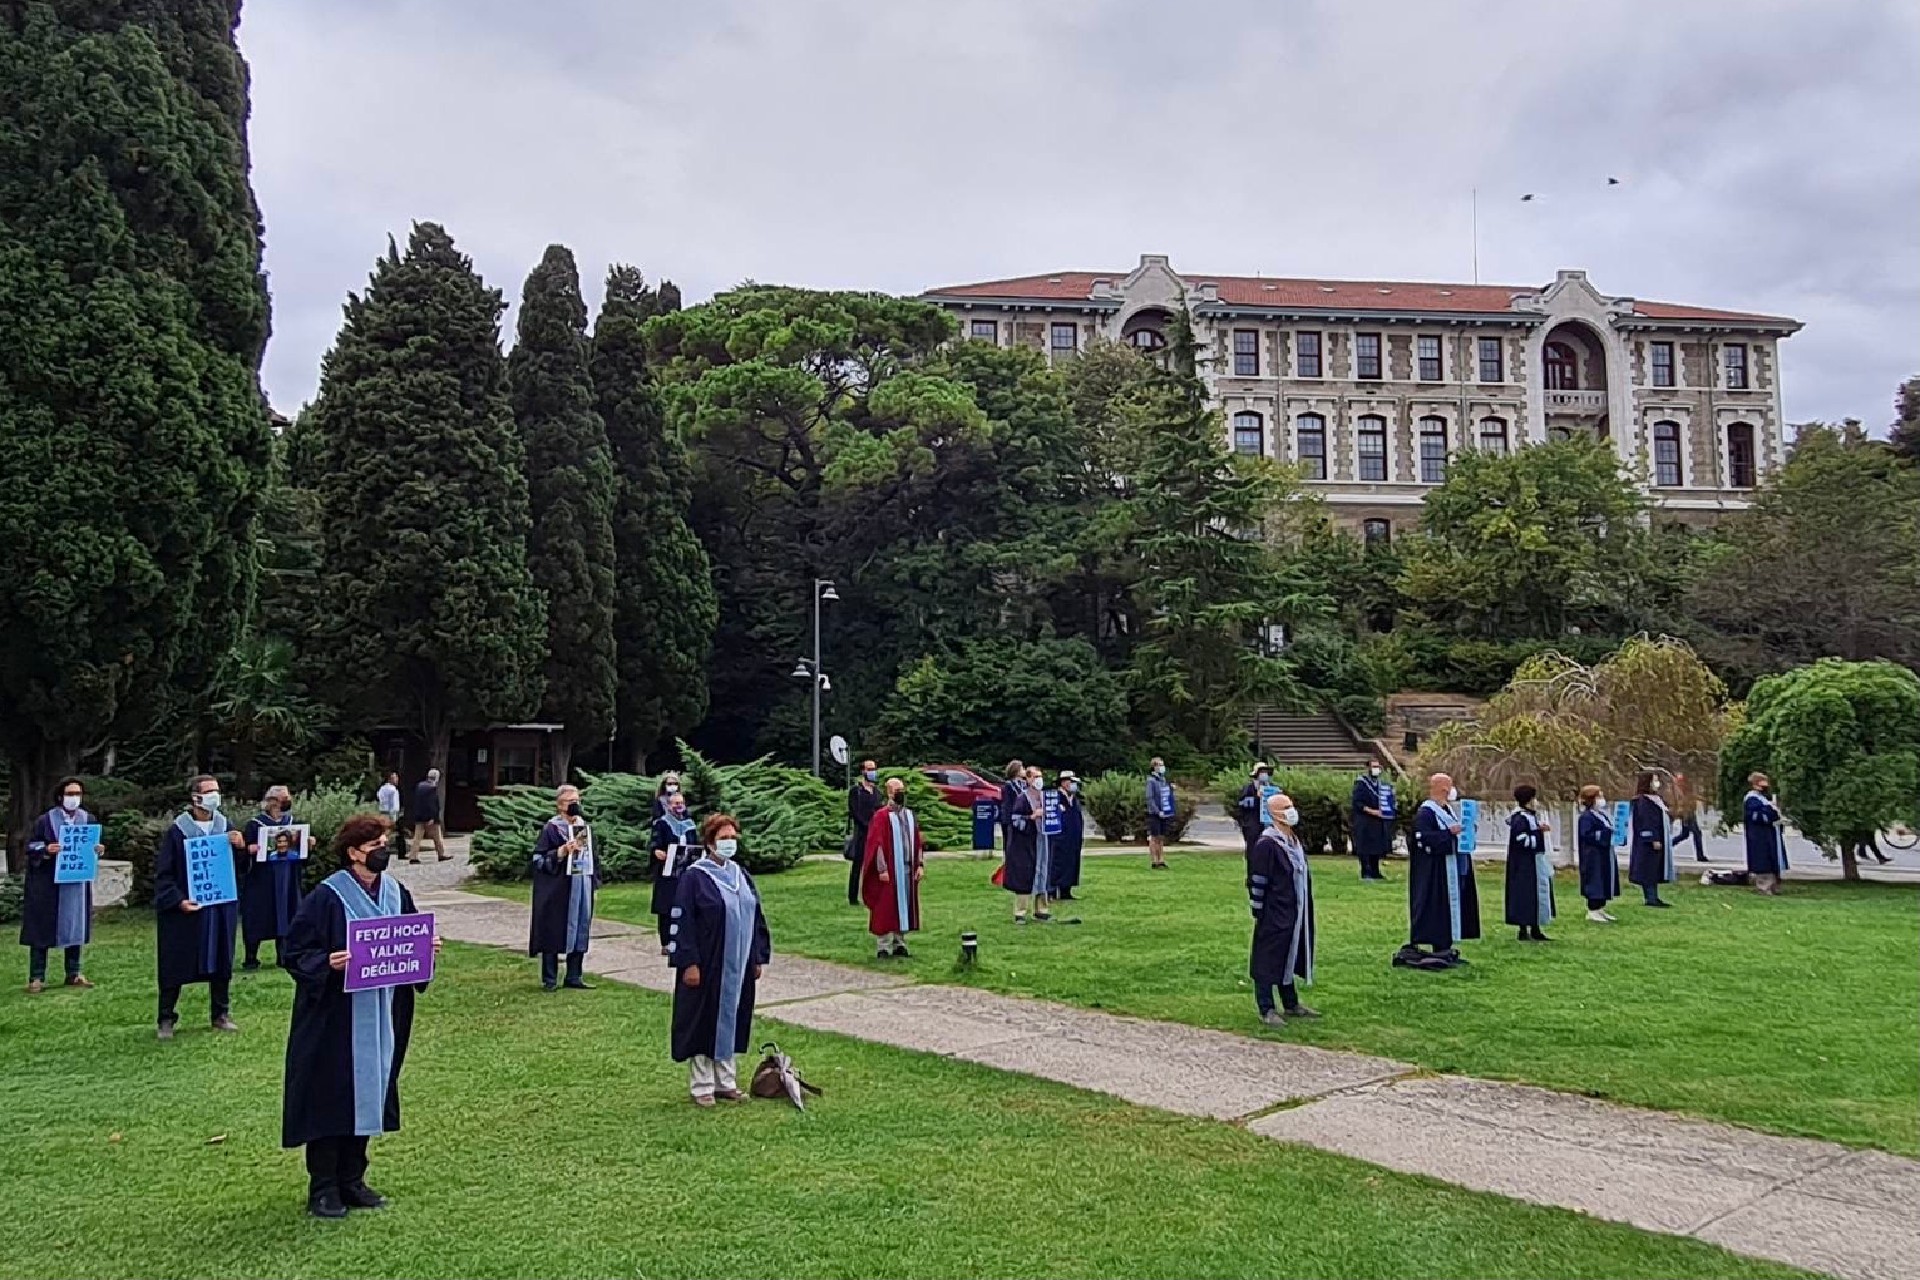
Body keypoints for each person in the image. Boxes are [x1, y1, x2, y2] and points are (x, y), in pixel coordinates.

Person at [282, 814, 438, 1219]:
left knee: (371, 1091)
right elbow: (295, 951)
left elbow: (407, 940)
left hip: (383, 1010)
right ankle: (323, 1187)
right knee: (331, 1095)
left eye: (386, 842)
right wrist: (325, 963)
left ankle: (353, 1179)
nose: (384, 851)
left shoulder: (394, 891)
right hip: (335, 1016)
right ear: (354, 853)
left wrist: (426, 948)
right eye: (375, 846)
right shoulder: (327, 897)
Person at [669, 813, 772, 1107]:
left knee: (732, 1018)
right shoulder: (695, 877)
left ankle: (725, 1081)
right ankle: (701, 1084)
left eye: (732, 838)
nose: (729, 843)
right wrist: (688, 963)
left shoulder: (741, 875)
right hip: (707, 963)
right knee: (704, 1019)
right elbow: (682, 920)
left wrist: (756, 957)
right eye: (723, 838)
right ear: (710, 841)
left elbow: (756, 918)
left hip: (737, 964)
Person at [153, 774, 246, 1039]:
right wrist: (179, 900)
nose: (214, 796)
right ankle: (166, 1017)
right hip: (188, 909)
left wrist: (240, 848)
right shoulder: (177, 831)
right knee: (176, 962)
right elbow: (164, 874)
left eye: (217, 791)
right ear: (195, 798)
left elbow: (238, 868)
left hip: (219, 905)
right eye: (209, 792)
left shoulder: (224, 826)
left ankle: (220, 1013)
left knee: (221, 959)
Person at [20, 777, 103, 993]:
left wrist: (97, 850)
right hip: (48, 883)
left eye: (78, 794)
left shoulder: (88, 819)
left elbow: (91, 846)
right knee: (42, 928)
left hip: (75, 882)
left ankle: (73, 972)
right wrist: (46, 850)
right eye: (70, 794)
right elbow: (31, 845)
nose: (74, 798)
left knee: (75, 925)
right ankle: (37, 976)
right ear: (60, 796)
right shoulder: (45, 820)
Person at [1247, 791, 1318, 1028]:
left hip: (1295, 910)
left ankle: (1291, 1003)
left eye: (1291, 805)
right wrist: (1259, 910)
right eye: (1286, 807)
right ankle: (1266, 1007)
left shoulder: (1294, 841)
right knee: (1268, 957)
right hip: (1274, 911)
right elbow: (1257, 880)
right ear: (1274, 814)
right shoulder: (1267, 844)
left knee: (1289, 953)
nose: (1291, 810)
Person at [1396, 772, 1468, 969]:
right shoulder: (1427, 812)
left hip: (1448, 867)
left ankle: (1446, 947)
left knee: (1446, 907)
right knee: (1434, 905)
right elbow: (1423, 838)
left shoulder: (1447, 810)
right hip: (1433, 870)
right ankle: (1436, 948)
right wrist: (1448, 834)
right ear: (1444, 788)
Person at [529, 784, 597, 991]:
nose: (575, 805)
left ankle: (574, 975)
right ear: (560, 805)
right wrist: (560, 852)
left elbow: (593, 857)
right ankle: (550, 979)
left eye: (577, 801)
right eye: (571, 802)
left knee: (580, 928)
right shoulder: (552, 828)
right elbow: (538, 859)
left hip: (581, 883)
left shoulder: (583, 827)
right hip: (558, 888)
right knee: (553, 929)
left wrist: (594, 881)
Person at [241, 785, 304, 971]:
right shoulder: (255, 824)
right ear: (273, 801)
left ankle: (283, 955)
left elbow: (299, 852)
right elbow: (244, 852)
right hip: (263, 878)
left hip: (287, 876)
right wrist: (249, 849)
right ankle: (251, 957)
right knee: (258, 914)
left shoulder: (291, 822)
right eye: (285, 797)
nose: (287, 800)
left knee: (286, 913)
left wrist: (307, 843)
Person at [860, 776, 923, 958]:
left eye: (902, 790)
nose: (900, 794)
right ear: (889, 792)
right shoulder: (881, 816)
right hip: (889, 870)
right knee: (885, 907)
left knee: (904, 906)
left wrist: (919, 864)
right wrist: (882, 869)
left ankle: (900, 943)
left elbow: (917, 843)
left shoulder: (909, 816)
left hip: (907, 869)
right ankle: (883, 946)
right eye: (897, 791)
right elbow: (877, 845)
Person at [1503, 784, 1554, 942]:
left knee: (1537, 894)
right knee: (1525, 895)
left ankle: (1536, 927)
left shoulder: (1532, 816)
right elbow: (1521, 840)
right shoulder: (1520, 818)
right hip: (1524, 864)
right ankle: (1523, 928)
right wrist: (1539, 833)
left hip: (1535, 861)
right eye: (1534, 798)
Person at [650, 790, 697, 952]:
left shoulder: (689, 824)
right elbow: (655, 843)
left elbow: (694, 843)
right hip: (667, 872)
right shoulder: (662, 823)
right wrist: (657, 851)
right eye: (676, 804)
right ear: (669, 806)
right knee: (666, 907)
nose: (679, 806)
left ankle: (683, 939)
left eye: (681, 803)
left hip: (685, 871)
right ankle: (666, 942)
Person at [1002, 768, 1051, 924]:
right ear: (1028, 779)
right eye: (1036, 777)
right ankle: (1020, 912)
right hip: (1026, 844)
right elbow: (1015, 820)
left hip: (1041, 840)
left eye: (1040, 777)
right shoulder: (1023, 798)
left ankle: (1041, 910)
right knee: (1025, 876)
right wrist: (1031, 817)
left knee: (1042, 873)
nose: (1039, 780)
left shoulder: (1045, 797)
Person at [1628, 771, 1674, 908]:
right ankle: (1650, 898)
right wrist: (1653, 838)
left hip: (1657, 839)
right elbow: (1646, 822)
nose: (1657, 783)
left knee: (1654, 869)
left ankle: (1654, 896)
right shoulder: (1642, 801)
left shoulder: (1655, 799)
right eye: (1654, 780)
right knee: (1648, 870)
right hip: (1647, 843)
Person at [1575, 785, 1620, 923]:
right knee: (1595, 880)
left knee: (1605, 879)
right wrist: (1605, 834)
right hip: (1592, 856)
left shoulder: (1600, 815)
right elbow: (1587, 835)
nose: (1602, 799)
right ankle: (1592, 910)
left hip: (1603, 853)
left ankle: (1600, 908)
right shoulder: (1586, 817)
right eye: (1599, 796)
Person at [1741, 772, 1789, 895]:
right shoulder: (1752, 799)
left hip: (1769, 834)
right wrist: (1771, 813)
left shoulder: (1763, 799)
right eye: (1763, 782)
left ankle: (1773, 886)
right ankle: (1764, 887)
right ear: (1756, 784)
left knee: (1771, 859)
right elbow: (1758, 816)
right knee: (1763, 860)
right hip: (1759, 836)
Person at [1350, 758, 1395, 881]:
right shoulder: (1361, 783)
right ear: (1368, 768)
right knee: (1365, 847)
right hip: (1365, 820)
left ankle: (1376, 871)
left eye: (1378, 767)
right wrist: (1372, 811)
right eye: (1374, 766)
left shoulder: (1381, 785)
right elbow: (1357, 803)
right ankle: (1366, 872)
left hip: (1378, 820)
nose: (1376, 769)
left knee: (1377, 846)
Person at [846, 760, 882, 908]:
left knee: (876, 865)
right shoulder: (856, 791)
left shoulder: (877, 792)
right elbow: (855, 812)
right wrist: (866, 826)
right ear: (863, 771)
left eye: (874, 769)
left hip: (875, 833)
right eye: (869, 769)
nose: (872, 771)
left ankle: (874, 894)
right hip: (862, 833)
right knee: (857, 865)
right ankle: (853, 896)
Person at [1050, 771, 1085, 901]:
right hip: (1060, 837)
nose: (1074, 785)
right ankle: (1052, 891)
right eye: (1072, 782)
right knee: (1057, 862)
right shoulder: (1056, 797)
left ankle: (1066, 890)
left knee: (1072, 862)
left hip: (1073, 837)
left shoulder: (1074, 800)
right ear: (1064, 782)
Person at [407, 769, 448, 864]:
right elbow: (431, 804)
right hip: (430, 817)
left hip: (419, 816)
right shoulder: (432, 788)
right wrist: (432, 817)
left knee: (417, 838)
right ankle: (441, 854)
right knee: (437, 837)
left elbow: (418, 802)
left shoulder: (419, 786)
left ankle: (413, 856)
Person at [1235, 764, 1271, 855]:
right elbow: (1242, 803)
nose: (1264, 774)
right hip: (1252, 825)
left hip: (1268, 825)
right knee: (1253, 852)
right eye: (1262, 772)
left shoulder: (1271, 788)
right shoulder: (1248, 789)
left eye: (1266, 772)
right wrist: (1257, 798)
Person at [1145, 758, 1174, 870]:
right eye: (1160, 765)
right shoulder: (1151, 781)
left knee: (1161, 837)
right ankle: (1154, 861)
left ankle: (1161, 859)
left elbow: (1166, 795)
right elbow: (1150, 798)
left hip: (1164, 813)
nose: (1162, 767)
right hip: (1154, 813)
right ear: (1154, 767)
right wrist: (1157, 811)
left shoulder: (1163, 780)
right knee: (1154, 837)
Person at [1672, 773, 1708, 863]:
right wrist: (1683, 815)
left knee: (1684, 834)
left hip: (1689, 813)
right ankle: (1700, 856)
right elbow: (1682, 803)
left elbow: (1691, 797)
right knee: (1697, 833)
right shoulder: (1678, 791)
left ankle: (1667, 846)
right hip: (1687, 815)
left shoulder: (1685, 789)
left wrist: (1701, 799)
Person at [998, 759, 1024, 853]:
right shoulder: (1008, 786)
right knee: (1009, 844)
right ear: (1016, 771)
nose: (1024, 771)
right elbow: (1008, 804)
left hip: (1019, 818)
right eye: (1022, 769)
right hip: (1009, 819)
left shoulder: (1023, 784)